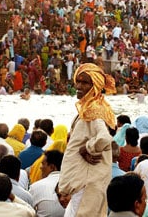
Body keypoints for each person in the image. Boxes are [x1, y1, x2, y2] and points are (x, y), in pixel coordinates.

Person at [58, 63, 116, 217]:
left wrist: (88, 148)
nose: (78, 86)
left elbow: (104, 137)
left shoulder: (94, 110)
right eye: (78, 81)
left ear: (95, 85)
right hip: (84, 185)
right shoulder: (90, 107)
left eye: (84, 82)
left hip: (87, 186)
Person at [29, 150, 65, 217]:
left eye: (43, 164)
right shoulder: (73, 184)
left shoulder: (36, 186)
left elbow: (27, 211)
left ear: (52, 167)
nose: (40, 167)